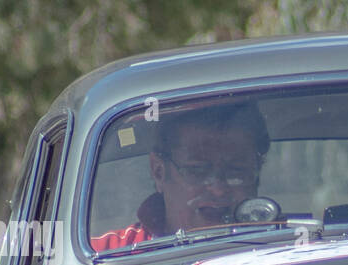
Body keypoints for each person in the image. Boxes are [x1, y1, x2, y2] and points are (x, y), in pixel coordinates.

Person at [90, 102, 270, 251]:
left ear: (256, 172)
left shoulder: (288, 243)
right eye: (197, 170)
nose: (218, 189)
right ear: (158, 172)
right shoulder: (107, 255)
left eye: (236, 171)